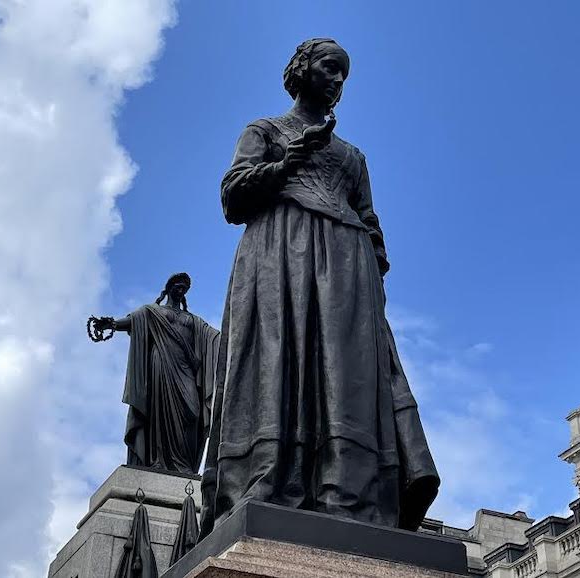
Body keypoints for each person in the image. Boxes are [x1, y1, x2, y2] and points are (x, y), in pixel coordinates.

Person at [200, 39, 439, 536]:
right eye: (330, 68)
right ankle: (273, 477)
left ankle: (345, 491)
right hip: (279, 259)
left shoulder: (353, 157)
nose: (337, 81)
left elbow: (371, 224)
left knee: (345, 379)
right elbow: (233, 198)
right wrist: (287, 161)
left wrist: (371, 274)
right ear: (301, 70)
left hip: (348, 271)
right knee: (280, 363)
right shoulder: (265, 130)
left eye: (344, 75)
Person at [92, 273, 219, 475]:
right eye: (178, 286)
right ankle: (157, 461)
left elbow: (215, 339)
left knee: (191, 413)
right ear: (169, 288)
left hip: (185, 369)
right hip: (160, 364)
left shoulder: (194, 321)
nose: (181, 290)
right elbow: (134, 321)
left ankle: (183, 464)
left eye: (184, 288)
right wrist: (112, 325)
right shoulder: (152, 311)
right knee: (159, 411)